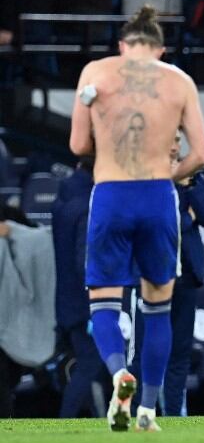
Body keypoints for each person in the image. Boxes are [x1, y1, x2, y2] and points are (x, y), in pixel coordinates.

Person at [68, 5, 204, 432]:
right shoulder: (179, 81)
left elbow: (77, 145)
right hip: (157, 195)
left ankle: (117, 373)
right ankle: (148, 409)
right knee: (158, 307)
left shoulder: (95, 71)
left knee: (105, 303)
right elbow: (201, 154)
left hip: (111, 192)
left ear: (122, 46)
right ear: (161, 50)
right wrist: (167, 174)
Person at [165, 131, 204, 417]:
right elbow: (163, 220)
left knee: (181, 348)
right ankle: (141, 408)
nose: (175, 146)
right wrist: (186, 214)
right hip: (155, 274)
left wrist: (191, 184)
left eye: (177, 140)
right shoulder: (148, 172)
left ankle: (174, 411)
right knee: (150, 346)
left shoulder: (193, 174)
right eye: (170, 140)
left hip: (186, 273)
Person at [52, 160, 102, 418]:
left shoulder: (63, 200)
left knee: (86, 362)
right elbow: (84, 262)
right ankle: (65, 419)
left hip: (65, 298)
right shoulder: (87, 205)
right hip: (85, 302)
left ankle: (96, 417)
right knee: (89, 364)